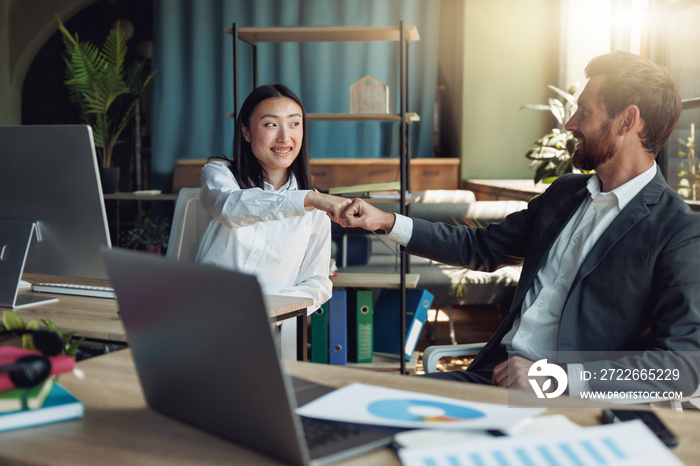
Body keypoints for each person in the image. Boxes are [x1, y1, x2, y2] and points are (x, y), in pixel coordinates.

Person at [337, 51, 700, 396]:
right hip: (491, 378)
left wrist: (559, 378)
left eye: (585, 112)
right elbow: (480, 247)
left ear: (627, 120)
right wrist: (384, 221)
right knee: (367, 403)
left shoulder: (677, 230)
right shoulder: (565, 194)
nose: (571, 124)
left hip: (568, 401)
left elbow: (683, 366)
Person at [196, 84, 350, 359]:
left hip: (267, 334)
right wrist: (308, 200)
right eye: (270, 124)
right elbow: (231, 208)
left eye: (294, 124)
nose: (285, 137)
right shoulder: (220, 174)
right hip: (204, 321)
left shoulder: (315, 208)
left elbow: (318, 282)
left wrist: (268, 310)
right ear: (246, 131)